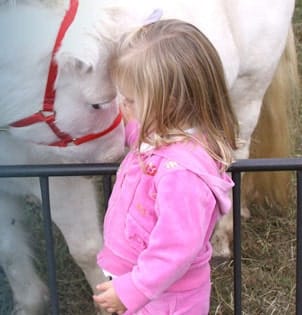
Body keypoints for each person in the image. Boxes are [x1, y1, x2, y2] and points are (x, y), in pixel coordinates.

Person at [93, 19, 238, 315]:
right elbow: (135, 130)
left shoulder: (181, 175)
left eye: (131, 100)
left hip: (163, 298)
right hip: (144, 285)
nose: (123, 107)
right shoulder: (161, 135)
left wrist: (133, 290)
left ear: (167, 105)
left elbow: (177, 248)